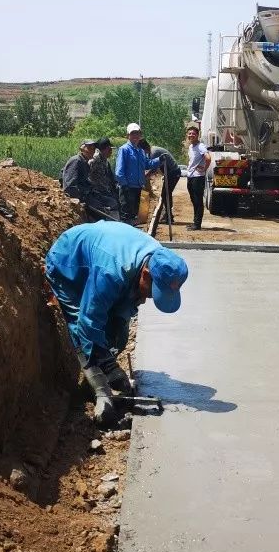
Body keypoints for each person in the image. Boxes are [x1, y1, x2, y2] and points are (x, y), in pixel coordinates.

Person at [45, 222, 189, 424]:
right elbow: (89, 322)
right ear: (146, 275)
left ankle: (98, 375)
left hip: (106, 264)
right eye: (151, 292)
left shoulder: (158, 259)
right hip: (69, 265)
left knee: (118, 333)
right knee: (82, 329)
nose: (148, 298)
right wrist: (108, 365)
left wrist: (111, 353)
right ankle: (99, 390)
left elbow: (122, 311)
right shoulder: (110, 271)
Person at [115, 122, 161, 224]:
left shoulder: (140, 151)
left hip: (138, 186)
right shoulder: (124, 149)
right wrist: (124, 185)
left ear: (140, 135)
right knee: (126, 214)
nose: (135, 136)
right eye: (133, 133)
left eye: (137, 133)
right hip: (127, 187)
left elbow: (147, 164)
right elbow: (119, 171)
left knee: (134, 213)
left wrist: (159, 160)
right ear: (128, 135)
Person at [62, 140, 118, 221]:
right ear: (81, 149)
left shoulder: (85, 162)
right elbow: (70, 186)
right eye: (89, 148)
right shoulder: (76, 161)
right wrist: (83, 197)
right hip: (81, 196)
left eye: (93, 148)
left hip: (89, 193)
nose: (92, 151)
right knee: (100, 209)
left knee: (111, 203)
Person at [139, 138, 180, 219]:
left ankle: (168, 216)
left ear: (142, 148)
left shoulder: (154, 152)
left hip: (173, 172)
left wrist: (145, 176)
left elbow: (153, 168)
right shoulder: (150, 152)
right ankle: (168, 214)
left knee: (166, 194)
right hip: (168, 173)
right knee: (165, 194)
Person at [184, 125, 211, 230]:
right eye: (189, 133)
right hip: (190, 176)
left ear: (197, 135)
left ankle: (197, 224)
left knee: (198, 200)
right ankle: (195, 222)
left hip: (198, 177)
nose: (191, 135)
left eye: (193, 134)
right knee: (193, 200)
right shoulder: (191, 147)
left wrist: (204, 169)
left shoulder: (200, 146)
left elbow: (208, 158)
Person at [88, 137, 121, 218]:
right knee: (113, 203)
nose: (111, 152)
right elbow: (88, 175)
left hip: (104, 190)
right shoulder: (95, 160)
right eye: (109, 149)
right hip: (96, 192)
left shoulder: (104, 160)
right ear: (104, 149)